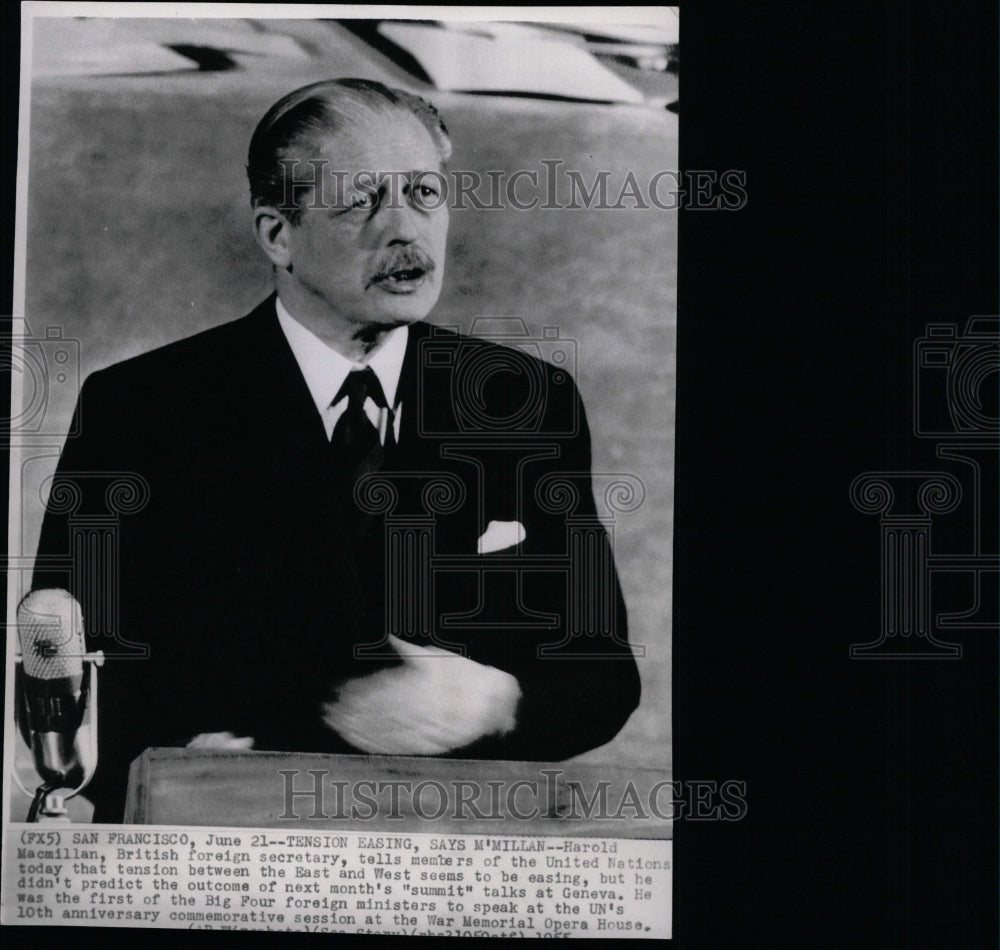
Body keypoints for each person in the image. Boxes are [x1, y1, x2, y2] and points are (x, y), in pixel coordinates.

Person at [30, 79, 640, 821]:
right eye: (361, 201)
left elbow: (603, 673)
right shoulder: (141, 408)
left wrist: (495, 701)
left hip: (454, 850)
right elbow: (63, 666)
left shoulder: (524, 400)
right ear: (277, 235)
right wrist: (164, 760)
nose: (404, 231)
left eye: (423, 193)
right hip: (229, 842)